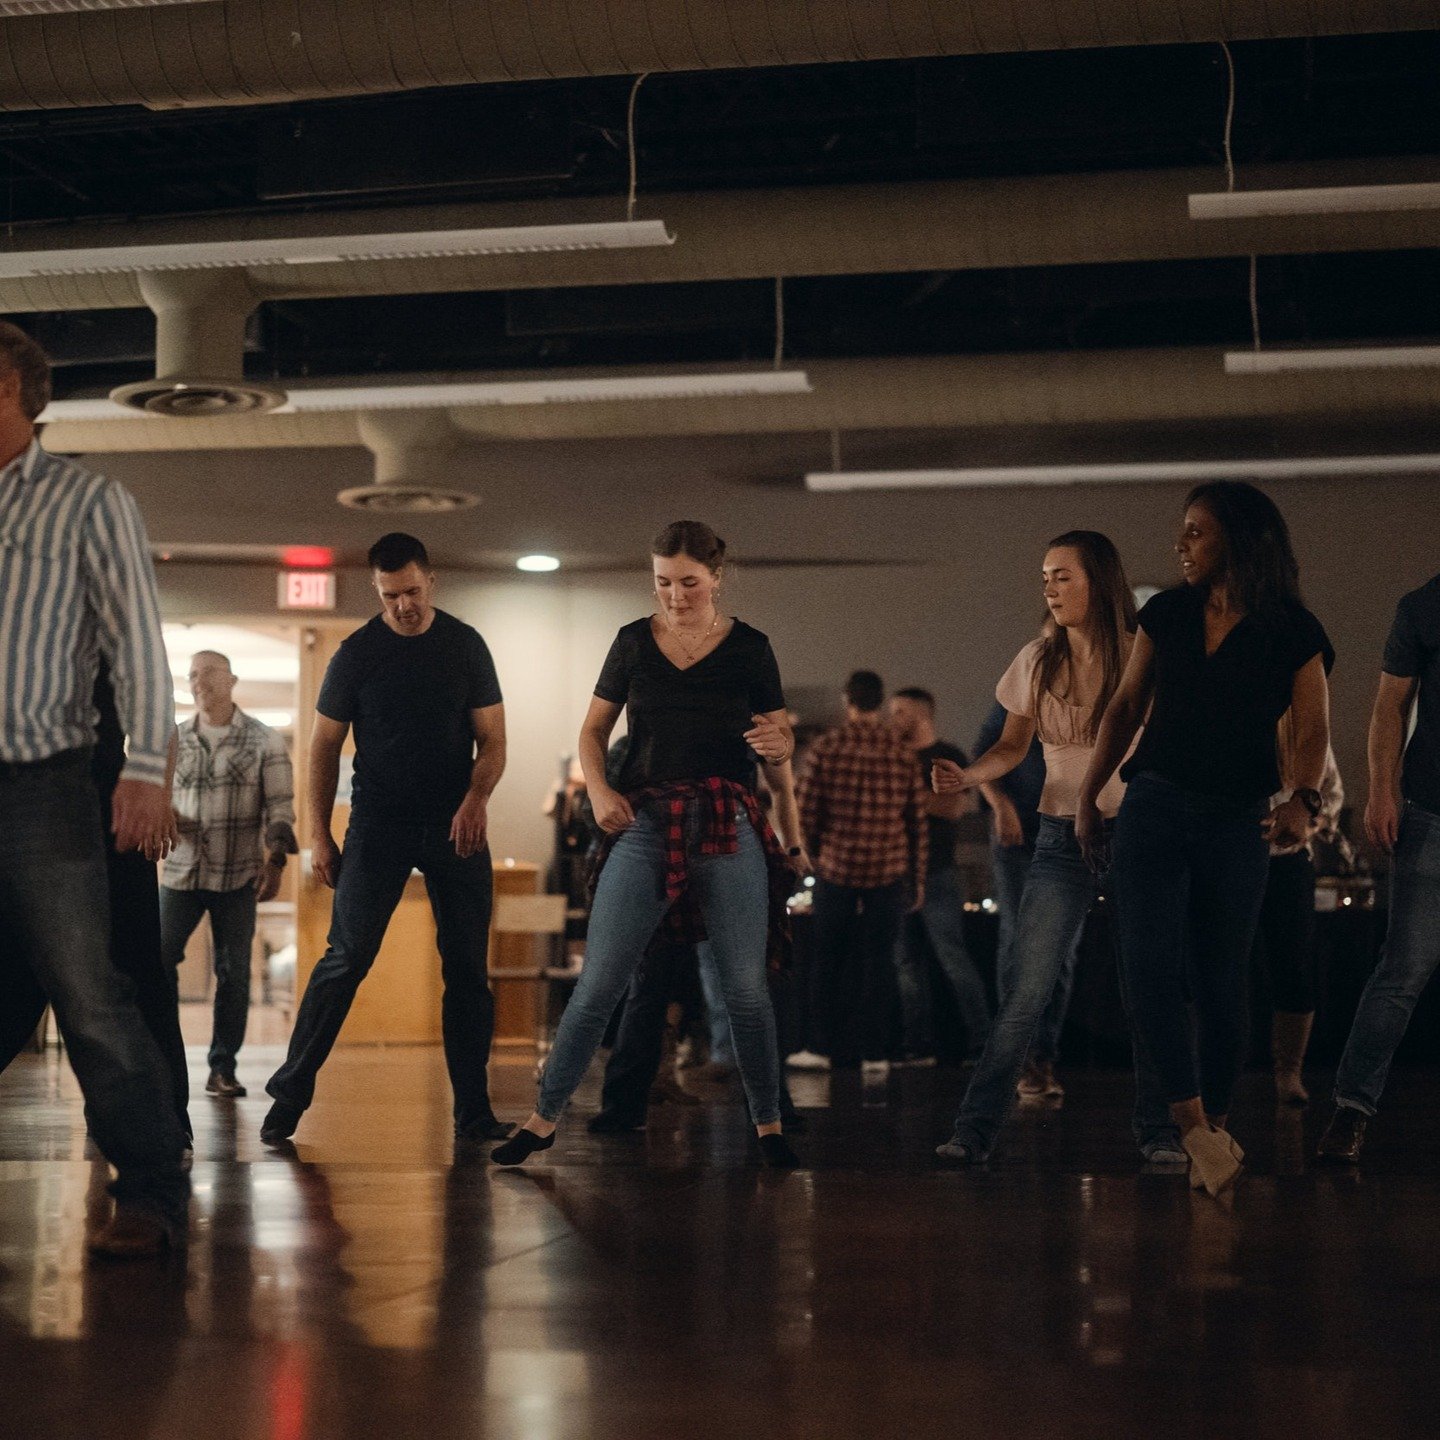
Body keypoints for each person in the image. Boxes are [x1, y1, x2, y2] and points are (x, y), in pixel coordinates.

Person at [492, 520, 804, 1168]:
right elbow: (591, 732)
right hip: (648, 816)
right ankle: (543, 1117)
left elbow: (778, 753)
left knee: (744, 986)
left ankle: (769, 1124)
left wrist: (793, 830)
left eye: (689, 583)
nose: (675, 595)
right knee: (601, 978)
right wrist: (602, 793)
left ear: (717, 577)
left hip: (725, 815)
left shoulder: (750, 648)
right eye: (663, 582)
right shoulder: (633, 642)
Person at [1077, 482, 1332, 1197]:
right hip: (1154, 802)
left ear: (1239, 541)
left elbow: (1312, 729)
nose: (1181, 545)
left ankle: (1213, 1125)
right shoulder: (1168, 612)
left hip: (1237, 818)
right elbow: (1126, 705)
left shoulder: (1293, 630)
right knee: (1149, 969)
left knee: (1221, 980)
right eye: (1182, 531)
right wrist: (1092, 795)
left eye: (1196, 532)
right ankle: (1192, 1127)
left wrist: (1302, 801)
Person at [0, 320, 190, 1257]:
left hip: (42, 785)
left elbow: (138, 648)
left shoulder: (86, 503)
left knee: (88, 993)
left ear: (11, 394)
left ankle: (152, 1187)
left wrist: (145, 772)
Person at [932, 531, 1181, 1166]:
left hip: (1135, 832)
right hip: (1058, 836)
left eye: (1062, 575)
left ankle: (1159, 1131)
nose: (1049, 586)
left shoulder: (1144, 653)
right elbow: (1013, 746)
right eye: (1045, 576)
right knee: (1026, 985)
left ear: (1098, 580)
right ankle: (975, 1128)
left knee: (1146, 986)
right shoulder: (1037, 658)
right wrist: (969, 776)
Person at [261, 532, 509, 1147]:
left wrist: (477, 799)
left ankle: (472, 1111)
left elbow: (494, 740)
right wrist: (321, 834)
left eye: (412, 591)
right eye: (389, 594)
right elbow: (322, 747)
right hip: (379, 823)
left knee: (468, 970)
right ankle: (289, 1094)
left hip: (456, 820)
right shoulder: (356, 654)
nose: (402, 605)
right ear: (378, 591)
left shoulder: (465, 646)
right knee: (345, 958)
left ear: (432, 582)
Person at [0, 663, 192, 1150]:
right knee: (20, 969)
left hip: (109, 805)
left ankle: (164, 1122)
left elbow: (159, 717)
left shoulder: (112, 622)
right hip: (25, 803)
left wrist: (159, 796)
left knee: (136, 967)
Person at [1318, 571, 1440, 1163]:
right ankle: (1352, 1109)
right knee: (1403, 970)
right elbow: (1390, 705)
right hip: (1431, 810)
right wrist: (1382, 792)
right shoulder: (1423, 605)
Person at [162, 650, 297, 1098]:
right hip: (179, 873)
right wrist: (165, 819)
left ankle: (223, 1067)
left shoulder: (264, 741)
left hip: (237, 874)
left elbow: (279, 808)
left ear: (232, 680)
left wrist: (275, 860)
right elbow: (156, 798)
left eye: (208, 674)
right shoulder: (173, 738)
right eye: (193, 675)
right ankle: (161, 1062)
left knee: (234, 972)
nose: (199, 682)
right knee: (157, 964)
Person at [794, 671, 928, 1080]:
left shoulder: (825, 747)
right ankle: (875, 1053)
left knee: (827, 960)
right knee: (880, 963)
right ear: (879, 701)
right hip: (887, 871)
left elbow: (806, 814)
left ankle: (820, 1048)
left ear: (846, 700)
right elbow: (915, 821)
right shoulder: (901, 752)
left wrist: (809, 856)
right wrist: (917, 879)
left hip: (836, 868)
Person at [887, 688, 990, 1065]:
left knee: (952, 958)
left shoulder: (948, 756)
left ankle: (983, 1043)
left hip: (938, 873)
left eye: (899, 711)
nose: (892, 718)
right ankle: (917, 1046)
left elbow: (952, 808)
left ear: (921, 713)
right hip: (895, 874)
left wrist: (900, 794)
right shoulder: (890, 756)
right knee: (905, 963)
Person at [974, 699, 1068, 1096]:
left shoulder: (1105, 685)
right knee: (1017, 939)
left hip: (1068, 831)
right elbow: (987, 759)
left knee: (1062, 948)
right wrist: (1001, 805)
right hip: (1018, 836)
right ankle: (1018, 1059)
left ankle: (1043, 1056)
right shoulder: (1022, 693)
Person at [1253, 726, 1343, 1107]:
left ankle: (1289, 1072)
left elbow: (1332, 793)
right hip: (1231, 857)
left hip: (1287, 864)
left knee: (1293, 967)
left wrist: (1310, 824)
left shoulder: (1303, 729)